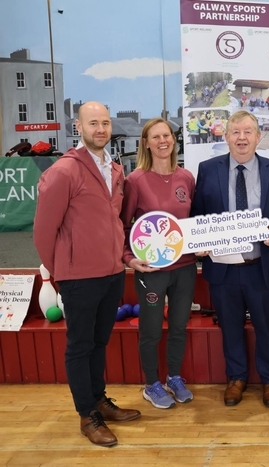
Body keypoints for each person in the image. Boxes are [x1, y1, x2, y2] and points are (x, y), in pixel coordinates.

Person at [34, 101, 141, 447]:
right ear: (77, 127)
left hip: (111, 274)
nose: (100, 129)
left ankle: (99, 399)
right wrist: (59, 272)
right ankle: (87, 416)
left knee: (98, 343)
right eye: (93, 123)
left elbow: (115, 222)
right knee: (80, 347)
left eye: (105, 123)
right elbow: (43, 230)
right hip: (78, 278)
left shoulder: (114, 168)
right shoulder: (64, 171)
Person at [191, 110, 269, 408]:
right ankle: (236, 378)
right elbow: (198, 215)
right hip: (222, 268)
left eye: (248, 132)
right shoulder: (208, 169)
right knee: (230, 326)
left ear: (259, 137)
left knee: (266, 326)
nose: (242, 138)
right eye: (236, 132)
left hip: (260, 266)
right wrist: (199, 241)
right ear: (226, 137)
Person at [120, 118, 197, 410]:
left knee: (178, 326)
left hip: (185, 267)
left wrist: (201, 246)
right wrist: (128, 258)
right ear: (146, 143)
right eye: (156, 137)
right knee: (151, 330)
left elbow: (192, 223)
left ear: (173, 140)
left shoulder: (187, 177)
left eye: (167, 135)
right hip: (151, 270)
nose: (163, 141)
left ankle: (174, 377)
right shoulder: (135, 180)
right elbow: (123, 224)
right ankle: (151, 383)